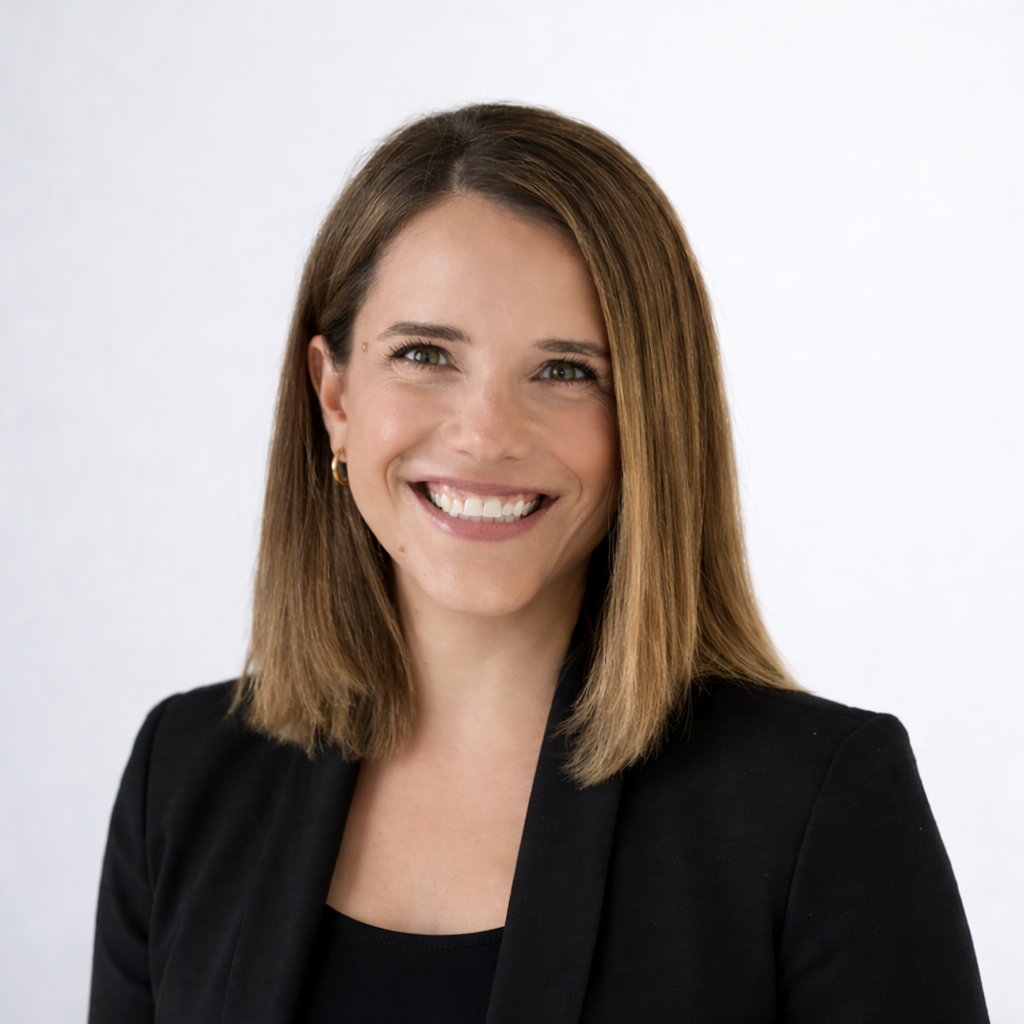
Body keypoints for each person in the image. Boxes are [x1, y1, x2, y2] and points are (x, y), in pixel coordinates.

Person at [88, 103, 989, 1024]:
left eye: (565, 371)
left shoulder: (818, 804)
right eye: (425, 354)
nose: (485, 436)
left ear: (649, 419)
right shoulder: (188, 773)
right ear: (335, 397)